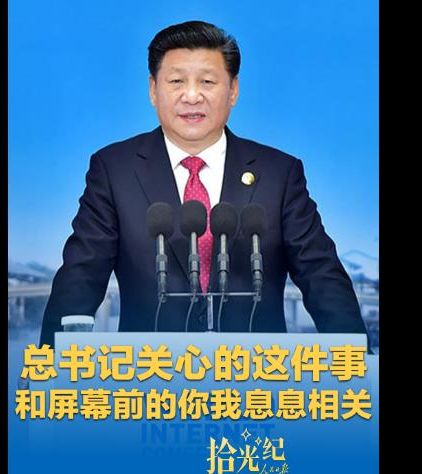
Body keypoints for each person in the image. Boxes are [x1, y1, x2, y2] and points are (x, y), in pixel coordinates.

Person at [40, 20, 366, 348]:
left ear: (233, 90)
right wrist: (48, 362)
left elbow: (321, 275)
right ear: (153, 89)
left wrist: (357, 360)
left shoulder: (279, 173)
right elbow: (82, 274)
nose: (192, 96)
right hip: (150, 372)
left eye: (207, 81)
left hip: (257, 373)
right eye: (177, 81)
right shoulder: (115, 169)